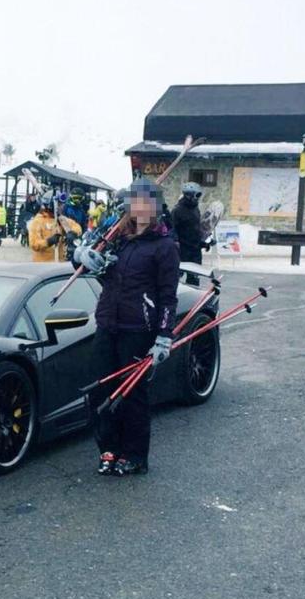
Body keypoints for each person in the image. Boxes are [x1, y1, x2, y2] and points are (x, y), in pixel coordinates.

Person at [74, 179, 179, 477]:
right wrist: (83, 257)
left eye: (148, 202)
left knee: (132, 394)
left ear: (157, 207)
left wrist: (163, 336)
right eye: (137, 202)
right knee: (100, 391)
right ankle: (108, 449)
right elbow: (87, 267)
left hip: (138, 328)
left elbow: (167, 296)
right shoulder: (117, 237)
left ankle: (135, 455)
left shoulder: (165, 246)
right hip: (108, 323)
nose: (142, 208)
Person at [27, 191, 82, 262]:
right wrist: (49, 241)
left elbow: (77, 227)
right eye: (59, 204)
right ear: (51, 205)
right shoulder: (38, 221)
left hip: (59, 264)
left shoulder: (61, 219)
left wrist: (73, 233)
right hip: (42, 265)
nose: (62, 207)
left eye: (62, 204)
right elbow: (34, 244)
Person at [172, 181, 204, 269]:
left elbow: (196, 228)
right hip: (183, 250)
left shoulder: (195, 209)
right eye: (197, 195)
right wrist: (175, 242)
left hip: (195, 250)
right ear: (188, 195)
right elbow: (172, 229)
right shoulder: (177, 210)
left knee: (194, 277)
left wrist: (203, 242)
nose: (198, 198)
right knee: (178, 276)